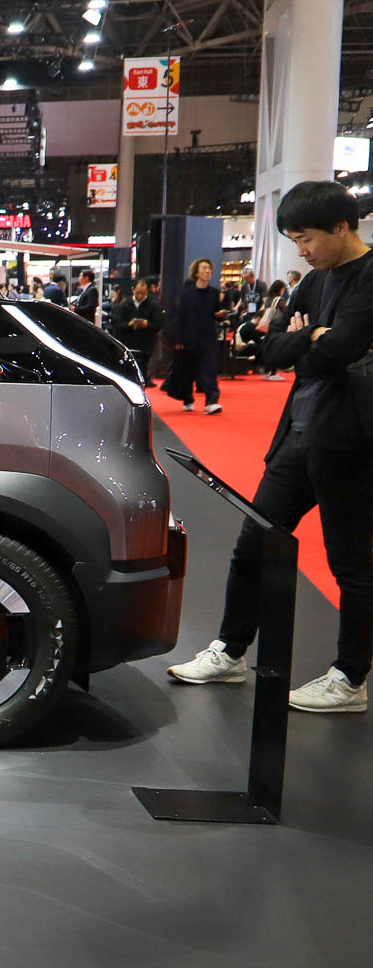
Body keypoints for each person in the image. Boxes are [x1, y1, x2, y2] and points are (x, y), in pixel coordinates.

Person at [169, 180, 373, 712]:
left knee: (351, 563)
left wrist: (310, 340)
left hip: (349, 442)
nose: (300, 251)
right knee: (253, 545)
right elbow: (269, 348)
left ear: (341, 227)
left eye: (306, 238)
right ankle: (231, 651)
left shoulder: (370, 275)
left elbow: (342, 348)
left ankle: (349, 678)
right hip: (295, 436)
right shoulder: (314, 281)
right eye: (294, 240)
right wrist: (311, 337)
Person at [163, 257, 228, 414]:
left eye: (209, 268)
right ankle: (188, 399)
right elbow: (181, 318)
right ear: (196, 272)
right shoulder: (186, 294)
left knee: (209, 370)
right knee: (187, 371)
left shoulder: (215, 294)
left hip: (208, 338)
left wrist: (220, 315)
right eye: (204, 268)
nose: (208, 271)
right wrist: (178, 339)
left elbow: (216, 314)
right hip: (189, 338)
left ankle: (212, 401)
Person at [110, 276, 162, 375]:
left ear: (147, 291)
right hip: (128, 343)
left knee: (144, 372)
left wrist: (147, 324)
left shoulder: (153, 305)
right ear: (133, 290)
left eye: (143, 293)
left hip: (146, 345)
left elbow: (159, 324)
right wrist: (129, 324)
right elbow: (117, 323)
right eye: (138, 293)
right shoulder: (124, 305)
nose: (140, 296)